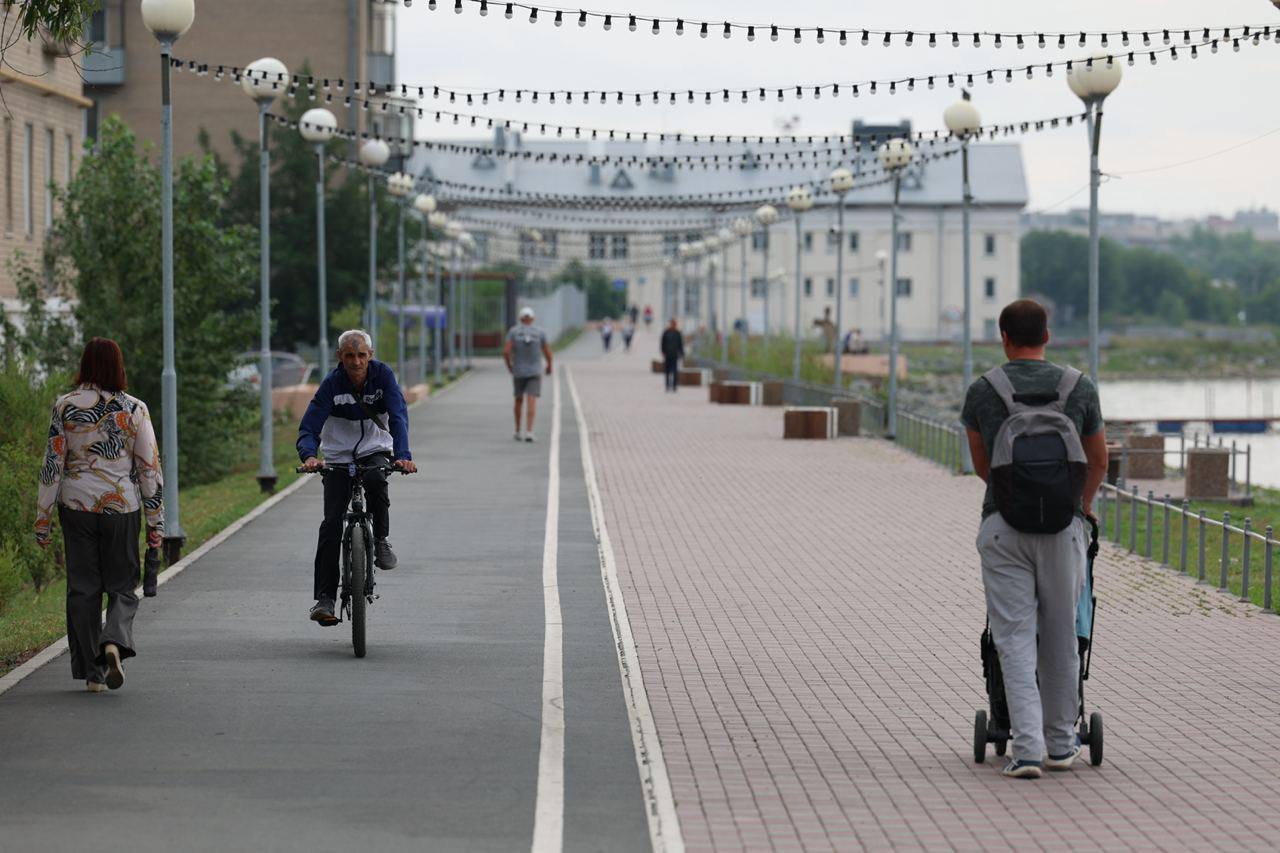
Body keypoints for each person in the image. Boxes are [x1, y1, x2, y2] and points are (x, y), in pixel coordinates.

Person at [961, 299, 1109, 779]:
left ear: (1003, 338)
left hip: (1004, 526)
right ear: (1047, 335)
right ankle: (1063, 744)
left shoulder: (984, 391)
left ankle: (1025, 750)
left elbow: (984, 467)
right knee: (1063, 636)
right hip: (1063, 530)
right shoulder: (1078, 387)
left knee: (1013, 637)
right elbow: (1100, 460)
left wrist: (1015, 495)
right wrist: (1078, 506)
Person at [35, 337, 163, 693]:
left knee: (83, 588)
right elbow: (149, 468)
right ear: (118, 366)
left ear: (85, 365)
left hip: (75, 507)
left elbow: (52, 465)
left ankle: (93, 673)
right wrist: (156, 522)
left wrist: (42, 519)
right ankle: (114, 641)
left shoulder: (65, 406)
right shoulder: (135, 409)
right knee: (122, 585)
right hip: (121, 507)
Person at [298, 329, 417, 626]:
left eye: (362, 355)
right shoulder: (331, 384)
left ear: (371, 355)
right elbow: (310, 425)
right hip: (338, 455)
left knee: (378, 481)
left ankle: (380, 540)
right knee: (331, 524)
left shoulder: (383, 377)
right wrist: (309, 456)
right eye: (349, 356)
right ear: (340, 357)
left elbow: (399, 415)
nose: (356, 361)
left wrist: (403, 455)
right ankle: (325, 599)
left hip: (375, 448)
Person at [503, 306, 553, 442]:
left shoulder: (513, 332)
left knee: (518, 400)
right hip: (535, 371)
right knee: (532, 400)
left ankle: (518, 430)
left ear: (520, 319)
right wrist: (549, 366)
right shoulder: (540, 332)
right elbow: (547, 351)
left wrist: (509, 365)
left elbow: (506, 351)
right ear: (532, 319)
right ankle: (529, 431)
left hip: (518, 371)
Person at [660, 318, 684, 392]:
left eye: (674, 323)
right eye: (672, 323)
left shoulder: (678, 333)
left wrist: (681, 353)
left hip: (675, 355)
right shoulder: (666, 332)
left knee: (675, 371)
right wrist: (663, 351)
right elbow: (662, 342)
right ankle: (667, 385)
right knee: (667, 371)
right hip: (667, 354)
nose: (673, 325)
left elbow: (680, 344)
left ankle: (674, 386)